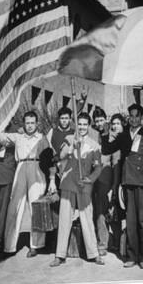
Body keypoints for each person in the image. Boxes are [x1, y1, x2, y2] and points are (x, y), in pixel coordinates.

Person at [103, 103, 143, 269]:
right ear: (128, 117)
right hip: (128, 181)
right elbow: (107, 149)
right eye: (132, 115)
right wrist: (106, 131)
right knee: (130, 221)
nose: (134, 118)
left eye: (138, 116)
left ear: (141, 117)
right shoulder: (123, 135)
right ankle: (131, 256)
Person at [0, 111, 56, 257]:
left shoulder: (42, 139)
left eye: (32, 123)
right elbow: (0, 138)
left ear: (37, 124)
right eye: (27, 123)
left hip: (36, 169)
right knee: (14, 207)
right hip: (21, 168)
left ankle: (35, 245)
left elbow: (50, 160)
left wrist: (52, 180)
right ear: (23, 124)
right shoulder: (18, 137)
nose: (30, 126)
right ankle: (9, 246)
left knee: (35, 208)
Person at [50, 112, 104, 267]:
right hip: (68, 184)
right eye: (79, 124)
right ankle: (59, 255)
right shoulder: (69, 139)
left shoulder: (94, 145)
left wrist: (91, 179)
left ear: (88, 126)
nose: (81, 127)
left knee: (87, 219)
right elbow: (60, 156)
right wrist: (72, 147)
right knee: (64, 219)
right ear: (76, 124)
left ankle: (94, 254)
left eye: (84, 124)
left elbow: (98, 167)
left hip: (84, 185)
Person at [90, 107, 116, 256]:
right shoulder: (93, 134)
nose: (99, 123)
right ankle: (103, 241)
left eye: (101, 120)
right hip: (94, 176)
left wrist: (114, 184)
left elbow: (115, 159)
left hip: (107, 177)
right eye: (97, 120)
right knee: (98, 210)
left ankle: (105, 243)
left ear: (106, 119)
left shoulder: (112, 134)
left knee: (106, 211)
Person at [46, 106, 75, 186]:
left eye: (66, 118)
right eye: (62, 118)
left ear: (70, 119)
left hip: (70, 169)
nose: (64, 121)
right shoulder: (52, 132)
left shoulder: (74, 133)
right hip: (55, 169)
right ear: (59, 119)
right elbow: (47, 149)